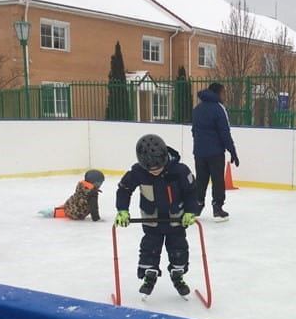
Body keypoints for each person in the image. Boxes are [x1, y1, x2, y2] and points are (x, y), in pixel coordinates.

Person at [114, 134, 199, 297]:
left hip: (176, 220)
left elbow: (191, 191)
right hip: (151, 220)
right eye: (150, 170)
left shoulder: (180, 170)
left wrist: (190, 211)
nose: (154, 172)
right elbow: (124, 189)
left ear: (165, 158)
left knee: (179, 249)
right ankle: (149, 275)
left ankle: (177, 275)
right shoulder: (138, 171)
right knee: (149, 249)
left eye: (157, 168)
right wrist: (122, 210)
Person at [191, 82, 239, 221]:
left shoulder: (197, 109)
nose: (225, 96)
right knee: (218, 180)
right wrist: (232, 151)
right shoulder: (219, 109)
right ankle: (217, 208)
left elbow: (194, 131)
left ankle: (197, 205)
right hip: (215, 152)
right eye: (223, 93)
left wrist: (199, 145)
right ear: (217, 93)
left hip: (199, 152)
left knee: (201, 179)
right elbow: (225, 132)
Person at [38, 170, 104, 220]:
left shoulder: (82, 185)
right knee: (64, 212)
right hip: (76, 212)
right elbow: (93, 207)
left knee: (65, 208)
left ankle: (53, 211)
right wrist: (96, 219)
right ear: (96, 183)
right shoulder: (92, 193)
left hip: (71, 203)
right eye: (100, 183)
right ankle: (52, 213)